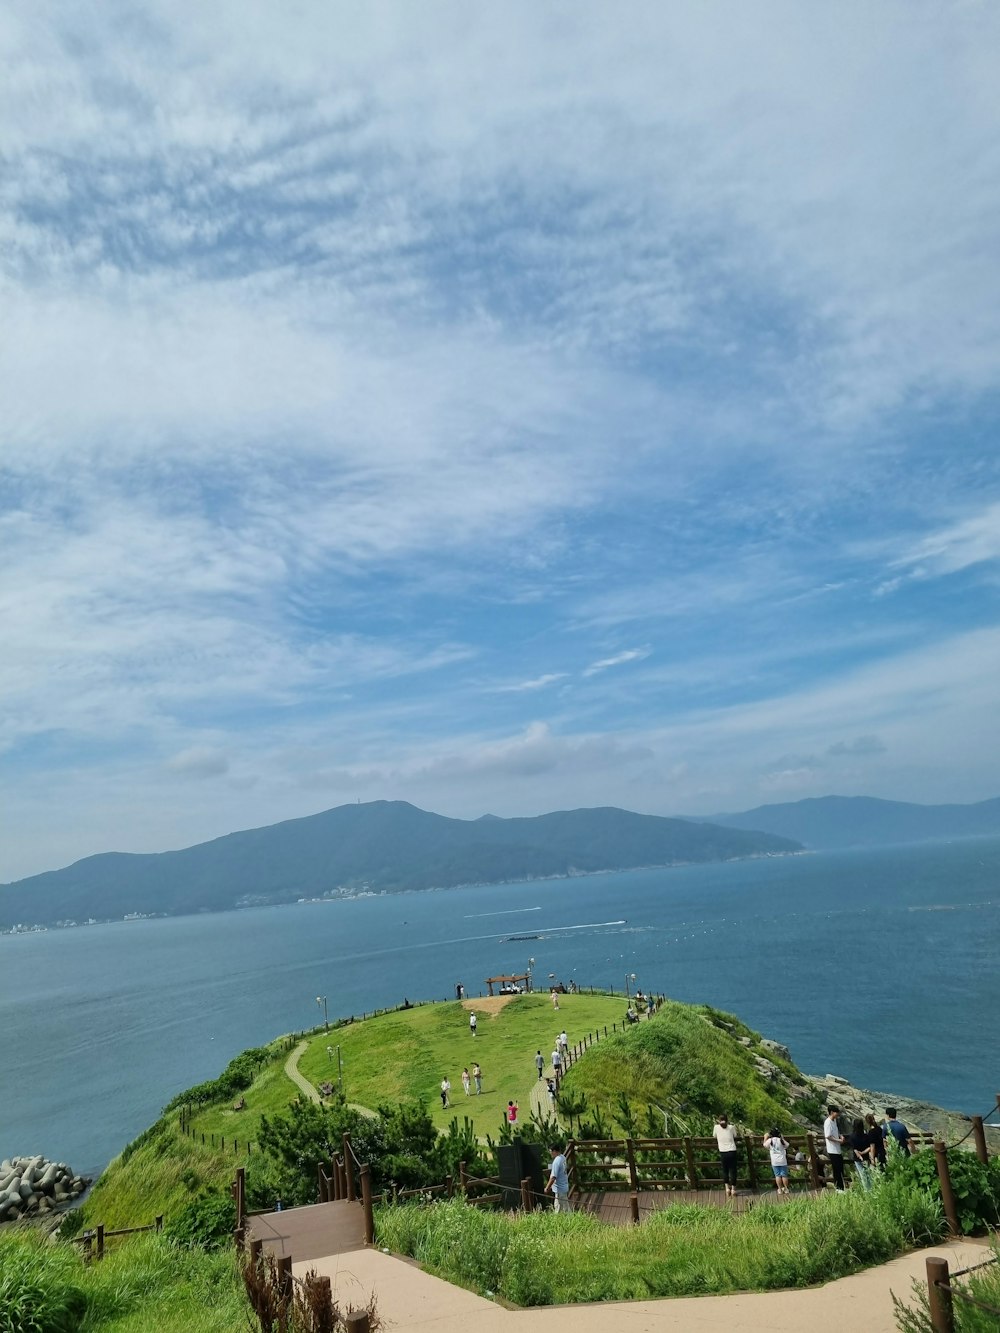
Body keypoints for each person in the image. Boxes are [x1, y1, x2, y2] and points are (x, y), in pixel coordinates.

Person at [713, 1113, 740, 1197]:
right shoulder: (731, 1127)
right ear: (727, 1120)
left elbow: (714, 1136)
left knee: (725, 1170)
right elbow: (735, 1135)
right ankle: (733, 1190)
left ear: (719, 1120)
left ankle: (727, 1189)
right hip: (732, 1150)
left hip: (723, 1151)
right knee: (733, 1170)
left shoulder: (716, 1127)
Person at [823, 1106, 846, 1190]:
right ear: (832, 1112)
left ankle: (841, 1186)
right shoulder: (828, 1122)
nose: (838, 1114)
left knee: (840, 1168)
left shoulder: (834, 1121)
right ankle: (838, 1188)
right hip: (832, 1149)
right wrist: (838, 1140)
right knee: (836, 1169)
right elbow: (828, 1136)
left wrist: (840, 1135)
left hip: (837, 1149)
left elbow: (836, 1130)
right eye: (837, 1112)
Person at [546, 1143, 573, 1212]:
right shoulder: (563, 1157)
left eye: (550, 1151)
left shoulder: (556, 1161)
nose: (550, 1153)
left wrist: (547, 1188)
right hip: (564, 1186)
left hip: (559, 1189)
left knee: (559, 1209)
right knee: (565, 1207)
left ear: (554, 1151)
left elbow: (553, 1177)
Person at [848, 1117, 873, 1190]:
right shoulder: (866, 1136)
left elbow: (854, 1147)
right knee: (868, 1174)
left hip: (857, 1158)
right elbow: (869, 1147)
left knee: (862, 1175)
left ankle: (866, 1190)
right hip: (866, 1157)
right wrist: (863, 1152)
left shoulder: (852, 1136)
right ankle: (870, 1188)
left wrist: (859, 1154)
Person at [763, 1128, 790, 1194]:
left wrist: (765, 1138)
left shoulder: (770, 1140)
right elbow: (787, 1145)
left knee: (777, 1175)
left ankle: (780, 1189)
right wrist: (782, 1138)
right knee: (784, 1175)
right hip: (782, 1160)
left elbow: (764, 1145)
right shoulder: (781, 1140)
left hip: (774, 1161)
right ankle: (786, 1189)